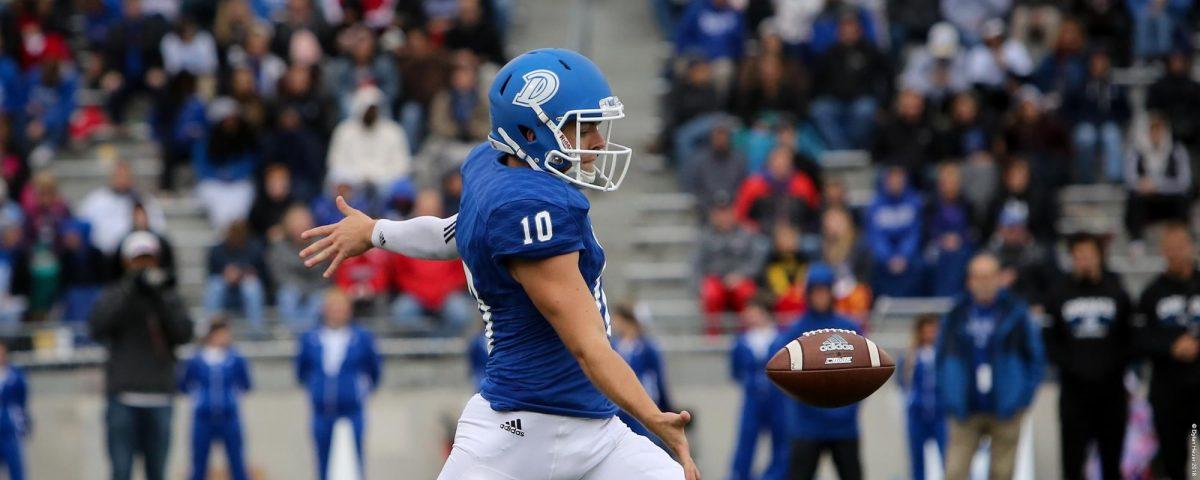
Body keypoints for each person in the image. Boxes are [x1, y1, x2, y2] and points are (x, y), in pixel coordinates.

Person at [300, 49, 700, 479]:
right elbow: (588, 348)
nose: (598, 141)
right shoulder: (532, 210)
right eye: (580, 128)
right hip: (515, 435)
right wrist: (653, 418)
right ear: (530, 132)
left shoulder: (493, 169)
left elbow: (451, 233)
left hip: (597, 433)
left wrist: (378, 231)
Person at [88, 231, 194, 480]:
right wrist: (130, 290)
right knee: (121, 471)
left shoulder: (167, 294)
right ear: (127, 262)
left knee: (157, 473)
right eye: (138, 260)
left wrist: (159, 298)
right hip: (123, 398)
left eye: (148, 259)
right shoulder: (116, 293)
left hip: (159, 396)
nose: (144, 265)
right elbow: (97, 328)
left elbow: (183, 333)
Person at [936, 253, 1045, 480]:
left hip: (1005, 407)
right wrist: (949, 395)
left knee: (1002, 473)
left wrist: (1022, 398)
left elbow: (1035, 358)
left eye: (989, 276)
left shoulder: (1016, 312)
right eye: (978, 277)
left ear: (999, 278)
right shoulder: (956, 315)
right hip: (965, 408)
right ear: (969, 281)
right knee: (954, 471)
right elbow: (941, 360)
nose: (984, 282)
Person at [1044, 233, 1133, 480]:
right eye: (1079, 255)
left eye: (1089, 254)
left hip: (1111, 390)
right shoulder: (1058, 293)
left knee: (1112, 462)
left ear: (1099, 256)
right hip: (1074, 392)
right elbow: (1051, 341)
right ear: (1071, 258)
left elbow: (1129, 337)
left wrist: (1113, 366)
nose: (1085, 260)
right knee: (1073, 463)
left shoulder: (1116, 291)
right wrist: (1073, 366)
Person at [773, 264, 864, 480]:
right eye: (816, 292)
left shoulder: (849, 328)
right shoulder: (795, 331)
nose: (821, 297)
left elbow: (862, 376)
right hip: (807, 425)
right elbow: (781, 372)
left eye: (825, 291)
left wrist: (846, 409)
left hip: (844, 425)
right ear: (808, 294)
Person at [1133, 223, 1200, 480]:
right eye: (1170, 248)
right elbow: (1138, 340)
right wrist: (1171, 347)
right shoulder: (1152, 293)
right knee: (1173, 461)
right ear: (1162, 252)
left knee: (1195, 458)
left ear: (1191, 246)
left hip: (1198, 392)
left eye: (1180, 246)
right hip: (1168, 393)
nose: (1176, 253)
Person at [295, 289, 382, 480]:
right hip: (321, 410)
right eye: (333, 308)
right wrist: (315, 388)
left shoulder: (362, 337)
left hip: (352, 409)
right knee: (322, 460)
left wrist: (362, 391)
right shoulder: (310, 338)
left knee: (354, 459)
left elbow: (374, 369)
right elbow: (302, 370)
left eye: (341, 308)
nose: (337, 313)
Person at [179, 319, 252, 480]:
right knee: (199, 465)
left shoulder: (235, 358)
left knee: (237, 463)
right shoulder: (197, 359)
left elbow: (245, 383)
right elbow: (184, 384)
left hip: (229, 416)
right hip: (203, 417)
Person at [728, 296, 788, 480]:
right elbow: (736, 371)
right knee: (746, 439)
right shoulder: (741, 342)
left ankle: (778, 475)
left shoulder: (781, 338)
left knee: (782, 438)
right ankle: (740, 475)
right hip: (752, 397)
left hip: (778, 397)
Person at [698, 201, 770, 335]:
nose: (723, 217)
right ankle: (712, 336)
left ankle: (746, 335)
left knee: (747, 293)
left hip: (740, 279)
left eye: (727, 212)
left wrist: (741, 275)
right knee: (710, 293)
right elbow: (696, 265)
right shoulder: (705, 237)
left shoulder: (747, 233)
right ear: (713, 215)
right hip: (715, 280)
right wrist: (698, 287)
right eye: (720, 212)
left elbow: (756, 261)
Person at [326, 85, 413, 194]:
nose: (371, 113)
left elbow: (402, 165)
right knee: (336, 181)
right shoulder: (344, 131)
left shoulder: (393, 131)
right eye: (367, 109)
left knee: (403, 186)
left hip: (385, 185)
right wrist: (359, 178)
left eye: (373, 109)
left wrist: (378, 178)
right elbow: (335, 163)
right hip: (353, 184)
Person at [1123, 113, 1192, 245]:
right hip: (1146, 201)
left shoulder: (1177, 150)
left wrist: (1158, 185)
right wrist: (1142, 185)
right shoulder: (1136, 151)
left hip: (1169, 200)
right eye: (1152, 130)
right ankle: (1136, 242)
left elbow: (1184, 182)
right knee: (1134, 199)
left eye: (1159, 130)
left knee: (1183, 199)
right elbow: (1130, 180)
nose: (1156, 134)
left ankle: (1182, 238)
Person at [611, 305, 672, 446]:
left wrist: (664, 408)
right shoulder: (613, 346)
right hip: (618, 408)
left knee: (646, 444)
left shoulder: (648, 348)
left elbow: (658, 380)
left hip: (640, 405)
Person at [866, 166, 924, 297]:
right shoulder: (875, 205)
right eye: (892, 179)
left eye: (899, 179)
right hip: (883, 257)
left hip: (909, 255)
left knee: (921, 265)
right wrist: (888, 258)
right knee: (872, 264)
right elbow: (875, 236)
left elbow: (914, 234)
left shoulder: (914, 202)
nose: (895, 183)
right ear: (885, 181)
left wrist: (904, 256)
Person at [899, 314, 944, 480]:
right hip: (917, 413)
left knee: (948, 458)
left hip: (940, 413)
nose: (929, 335)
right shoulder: (910, 356)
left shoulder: (943, 355)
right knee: (917, 461)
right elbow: (903, 383)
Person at [267, 205, 326, 333]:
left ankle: (308, 336)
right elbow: (279, 275)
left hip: (316, 289)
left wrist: (307, 289)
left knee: (318, 300)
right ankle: (290, 335)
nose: (299, 226)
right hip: (291, 288)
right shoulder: (279, 247)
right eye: (295, 222)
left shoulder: (321, 244)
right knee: (287, 296)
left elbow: (324, 273)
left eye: (302, 221)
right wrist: (299, 288)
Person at [203, 221, 267, 331]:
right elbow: (211, 272)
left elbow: (263, 274)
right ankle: (211, 329)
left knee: (252, 286)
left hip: (245, 292)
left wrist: (241, 273)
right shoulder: (217, 250)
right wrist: (227, 274)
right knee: (215, 285)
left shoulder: (255, 248)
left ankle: (256, 331)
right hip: (226, 291)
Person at [0, 343, 28, 480]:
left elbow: (22, 399)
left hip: (9, 428)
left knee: (16, 470)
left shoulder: (14, 375)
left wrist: (23, 422)